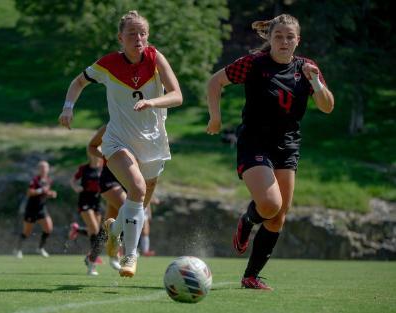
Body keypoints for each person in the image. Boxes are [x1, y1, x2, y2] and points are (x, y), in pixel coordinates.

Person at [206, 14, 334, 290]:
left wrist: (317, 83)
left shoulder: (308, 68)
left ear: (298, 40)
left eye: (290, 37)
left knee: (278, 216)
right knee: (270, 205)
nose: (285, 41)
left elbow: (327, 107)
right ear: (270, 39)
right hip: (254, 142)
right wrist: (215, 118)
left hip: (287, 145)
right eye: (279, 36)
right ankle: (248, 219)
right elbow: (214, 83)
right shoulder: (253, 64)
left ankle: (250, 276)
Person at [59, 10, 183, 277]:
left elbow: (177, 95)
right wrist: (68, 108)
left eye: (142, 33)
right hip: (118, 140)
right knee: (136, 189)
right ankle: (130, 255)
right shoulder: (107, 64)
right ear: (120, 38)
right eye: (131, 34)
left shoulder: (155, 58)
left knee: (139, 206)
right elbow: (77, 82)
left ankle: (112, 231)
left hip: (153, 142)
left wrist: (152, 101)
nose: (138, 38)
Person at [87, 124, 127, 271]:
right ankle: (116, 254)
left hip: (127, 180)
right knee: (127, 209)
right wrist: (104, 155)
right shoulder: (109, 127)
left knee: (108, 225)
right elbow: (91, 146)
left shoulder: (136, 125)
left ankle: (91, 259)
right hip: (109, 179)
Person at [68, 150, 105, 275]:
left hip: (97, 202)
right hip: (85, 200)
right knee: (94, 229)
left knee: (95, 231)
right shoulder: (84, 168)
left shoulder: (103, 168)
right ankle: (92, 263)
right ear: (90, 154)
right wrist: (76, 187)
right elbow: (72, 180)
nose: (96, 154)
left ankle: (77, 230)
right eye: (94, 152)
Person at [15, 161, 58, 259]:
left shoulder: (48, 180)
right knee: (27, 231)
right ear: (39, 169)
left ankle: (40, 248)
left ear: (48, 169)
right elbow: (29, 192)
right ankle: (18, 250)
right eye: (41, 168)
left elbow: (45, 192)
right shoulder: (35, 180)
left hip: (41, 208)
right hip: (31, 208)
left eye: (45, 168)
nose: (43, 170)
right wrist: (41, 190)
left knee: (48, 228)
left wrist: (51, 194)